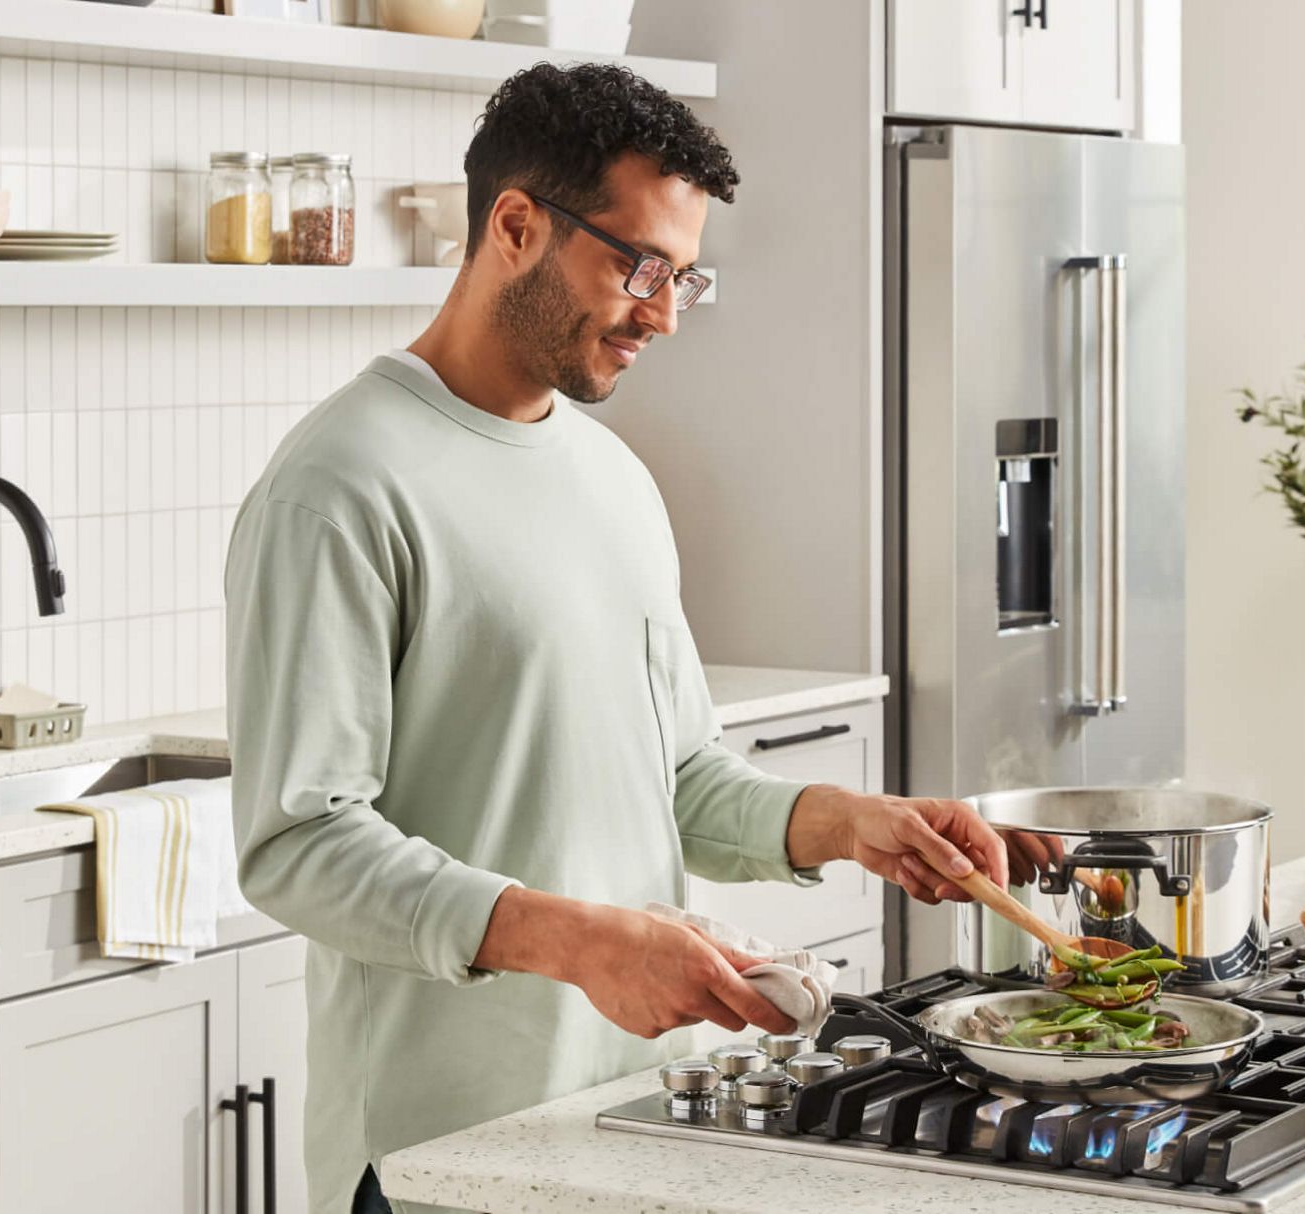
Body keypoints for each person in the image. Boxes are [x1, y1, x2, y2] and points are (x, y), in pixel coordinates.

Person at [224, 62, 1009, 1214]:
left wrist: (844, 822)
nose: (664, 312)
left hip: (639, 1120)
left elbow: (674, 772)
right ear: (514, 225)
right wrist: (582, 942)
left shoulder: (615, 479)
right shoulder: (339, 484)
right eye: (639, 266)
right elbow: (299, 843)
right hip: (443, 1152)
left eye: (686, 277)